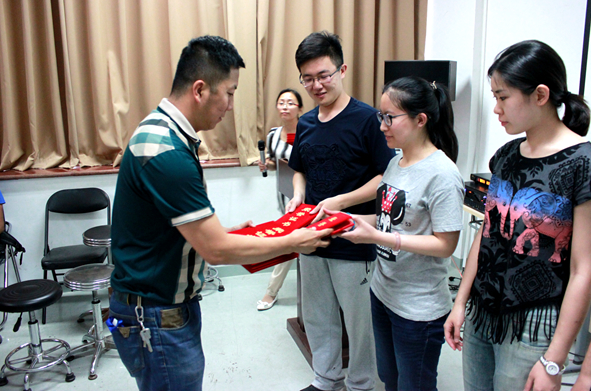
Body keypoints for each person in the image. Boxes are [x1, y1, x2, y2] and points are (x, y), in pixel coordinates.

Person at [109, 35, 332, 391]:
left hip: (159, 309)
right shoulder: (167, 151)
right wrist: (294, 241)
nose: (229, 106)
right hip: (156, 317)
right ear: (200, 89)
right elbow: (216, 251)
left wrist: (223, 232)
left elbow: (169, 226)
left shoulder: (163, 132)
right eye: (229, 93)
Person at [443, 40, 591, 391]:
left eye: (503, 97)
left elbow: (584, 270)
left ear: (540, 95)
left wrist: (554, 360)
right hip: (482, 311)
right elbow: (487, 233)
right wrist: (460, 302)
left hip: (534, 322)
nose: (496, 109)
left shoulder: (585, 164)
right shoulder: (507, 155)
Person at [331, 76, 464, 391]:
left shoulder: (443, 175)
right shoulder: (396, 162)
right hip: (383, 294)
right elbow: (389, 220)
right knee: (389, 378)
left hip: (418, 309)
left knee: (414, 385)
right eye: (381, 116)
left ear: (420, 120)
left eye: (390, 117)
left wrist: (378, 237)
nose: (382, 126)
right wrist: (349, 219)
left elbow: (445, 245)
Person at [286, 31, 395, 391]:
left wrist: (341, 201)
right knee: (318, 315)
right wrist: (298, 195)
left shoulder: (368, 119)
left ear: (342, 70)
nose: (316, 85)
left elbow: (386, 176)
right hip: (311, 235)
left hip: (354, 236)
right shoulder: (306, 122)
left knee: (360, 321)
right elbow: (299, 169)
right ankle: (326, 379)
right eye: (308, 79)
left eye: (324, 75)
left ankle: (361, 384)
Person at [257, 88, 304, 311]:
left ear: (299, 108)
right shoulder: (273, 135)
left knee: (288, 242)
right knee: (292, 242)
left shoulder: (308, 132)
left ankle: (271, 292)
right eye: (281, 102)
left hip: (308, 196)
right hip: (285, 196)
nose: (285, 107)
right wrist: (266, 164)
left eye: (290, 103)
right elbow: (275, 162)